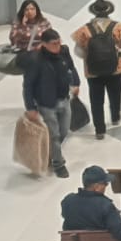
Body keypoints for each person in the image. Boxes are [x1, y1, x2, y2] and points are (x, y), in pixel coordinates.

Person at [23, 28, 81, 179]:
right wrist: (30, 107)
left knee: (64, 131)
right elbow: (28, 84)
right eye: (54, 44)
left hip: (64, 98)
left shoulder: (64, 51)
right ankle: (58, 164)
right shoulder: (35, 60)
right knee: (54, 134)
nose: (58, 46)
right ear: (44, 44)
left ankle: (51, 152)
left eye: (59, 42)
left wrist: (76, 83)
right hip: (46, 103)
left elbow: (71, 67)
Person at [73, 0, 121, 139]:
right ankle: (115, 116)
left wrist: (90, 57)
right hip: (116, 70)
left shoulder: (84, 30)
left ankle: (99, 130)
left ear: (94, 12)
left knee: (96, 100)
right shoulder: (119, 28)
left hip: (93, 71)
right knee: (115, 94)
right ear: (108, 11)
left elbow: (78, 52)